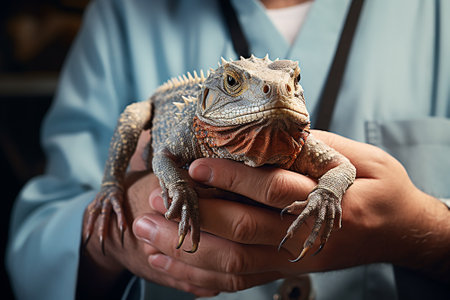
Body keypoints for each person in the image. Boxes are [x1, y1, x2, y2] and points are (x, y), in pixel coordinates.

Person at [6, 0, 450, 299]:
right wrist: (114, 235)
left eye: (289, 87)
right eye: (238, 85)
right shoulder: (122, 12)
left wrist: (425, 234)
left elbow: (338, 169)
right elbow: (31, 254)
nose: (276, 96)